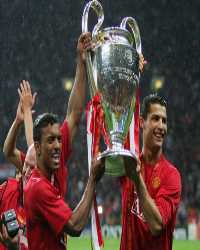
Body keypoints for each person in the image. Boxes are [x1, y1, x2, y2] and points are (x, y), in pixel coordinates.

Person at [24, 113, 105, 250]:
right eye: (50, 140)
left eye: (59, 139)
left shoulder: (49, 178)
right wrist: (93, 179)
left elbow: (74, 113)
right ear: (37, 147)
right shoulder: (38, 188)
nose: (57, 146)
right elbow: (75, 226)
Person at [120, 94, 181, 250]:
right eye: (155, 119)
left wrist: (137, 179)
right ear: (142, 122)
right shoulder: (128, 162)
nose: (161, 126)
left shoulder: (171, 175)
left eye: (164, 121)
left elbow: (156, 225)